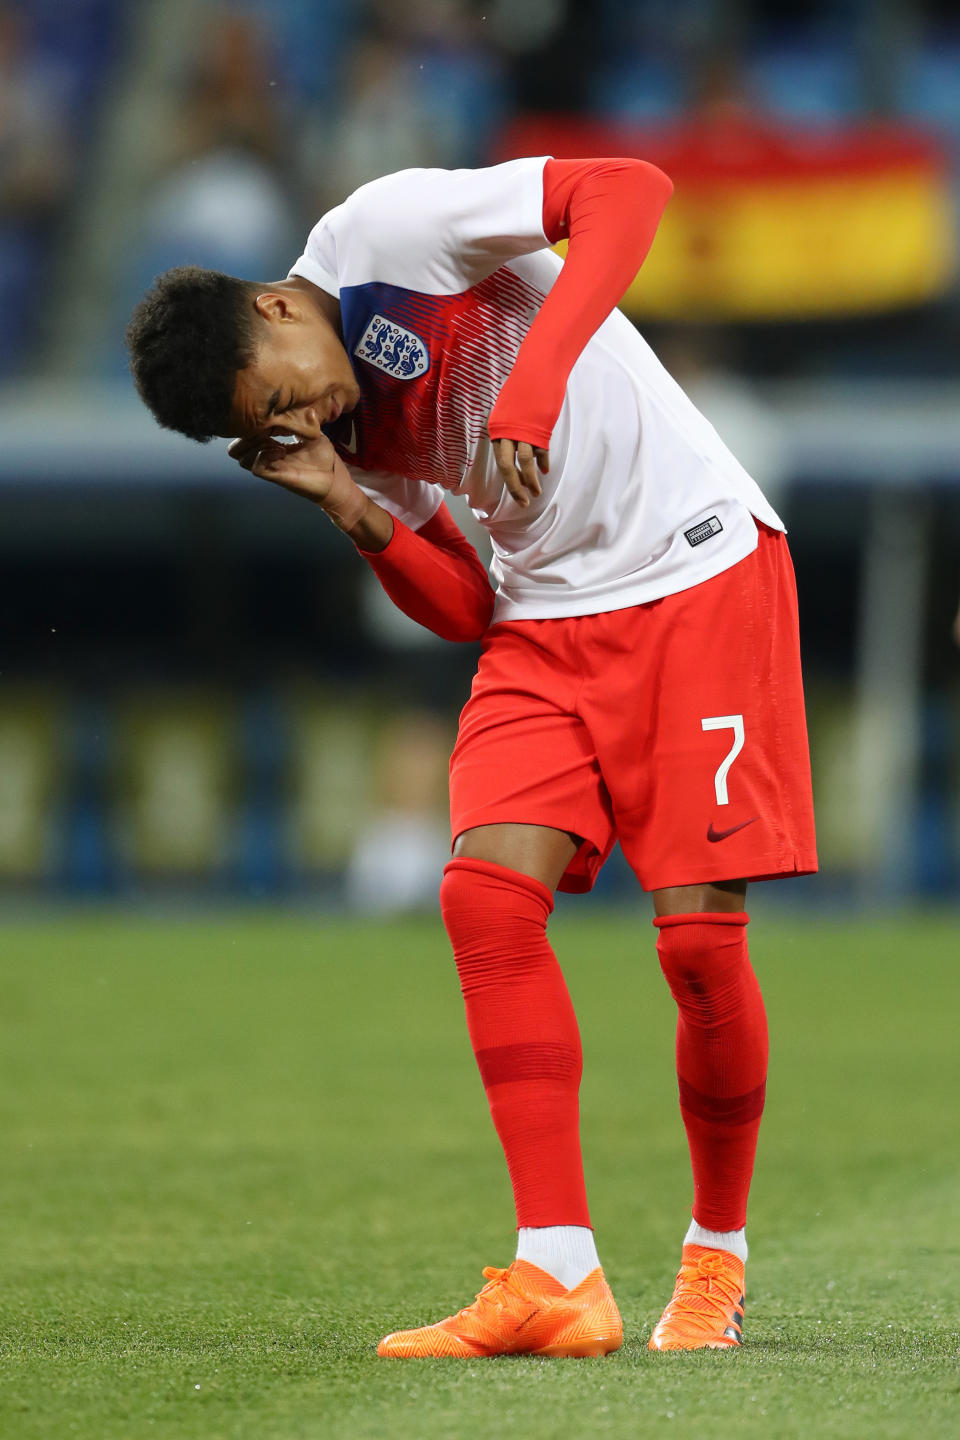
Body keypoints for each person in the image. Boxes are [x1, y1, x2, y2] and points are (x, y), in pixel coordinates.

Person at [126, 154, 817, 1357]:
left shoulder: (393, 231)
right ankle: (560, 1272)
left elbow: (631, 193)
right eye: (269, 431)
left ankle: (716, 1258)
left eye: (279, 396)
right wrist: (350, 501)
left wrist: (533, 383)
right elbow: (461, 605)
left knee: (702, 949)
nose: (296, 423)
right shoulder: (348, 430)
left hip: (698, 565)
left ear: (280, 309)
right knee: (483, 902)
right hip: (543, 617)